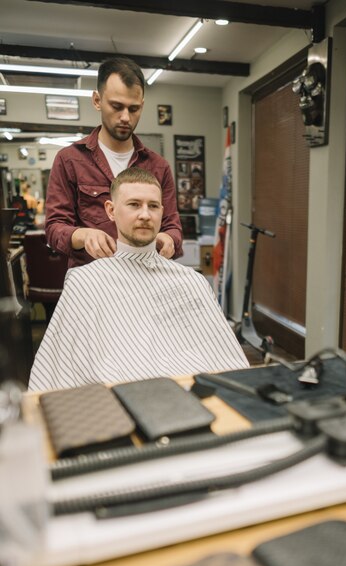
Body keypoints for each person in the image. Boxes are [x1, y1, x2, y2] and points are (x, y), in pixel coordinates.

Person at [29, 168, 248, 391]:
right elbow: (60, 371)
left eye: (153, 206)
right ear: (111, 210)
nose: (145, 215)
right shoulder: (85, 281)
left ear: (162, 212)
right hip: (124, 393)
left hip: (196, 388)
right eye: (134, 204)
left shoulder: (191, 281)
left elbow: (226, 359)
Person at [45, 57, 183, 269]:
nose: (126, 117)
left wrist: (169, 239)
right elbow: (55, 229)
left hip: (145, 281)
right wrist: (83, 235)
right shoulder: (70, 160)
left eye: (134, 109)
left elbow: (173, 227)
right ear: (97, 101)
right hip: (92, 283)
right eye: (117, 106)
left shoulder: (158, 166)